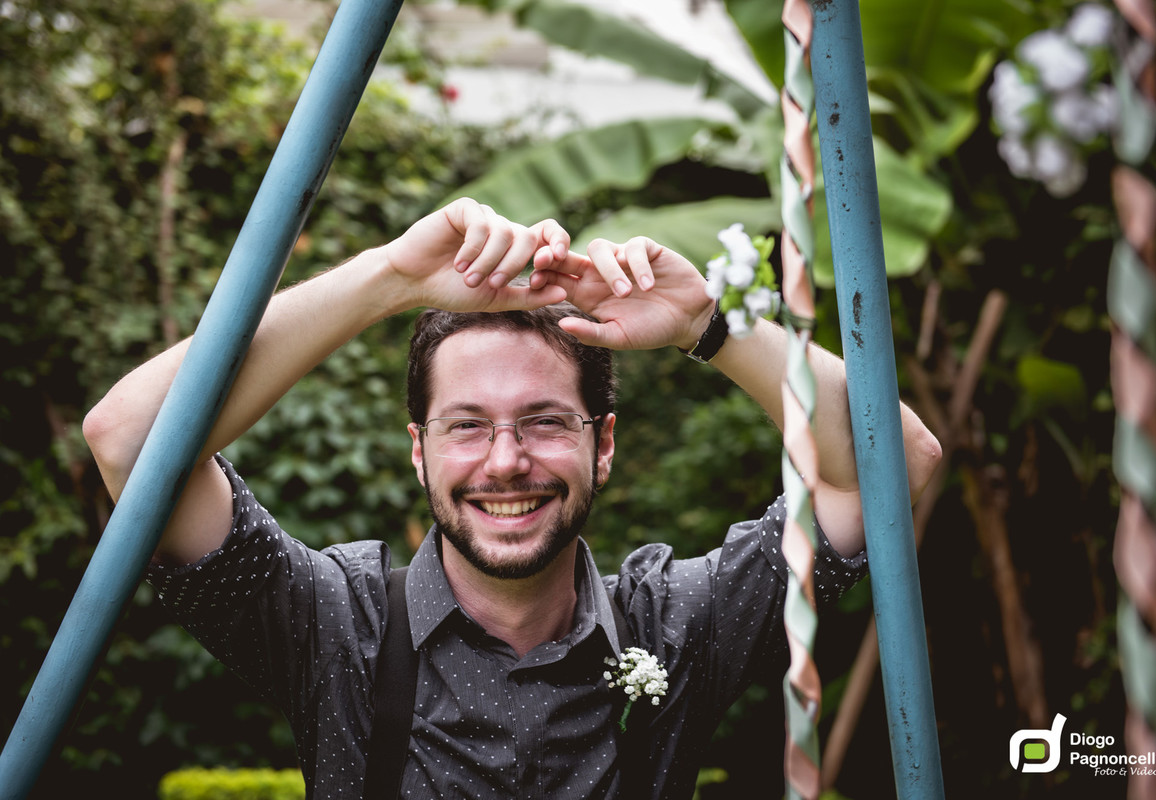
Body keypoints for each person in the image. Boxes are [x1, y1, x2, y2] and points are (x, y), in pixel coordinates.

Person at [83, 198, 941, 799]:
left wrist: (710, 327)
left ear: (601, 444)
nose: (505, 461)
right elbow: (127, 439)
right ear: (419, 453)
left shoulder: (679, 625)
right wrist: (389, 279)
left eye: (542, 421)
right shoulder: (333, 627)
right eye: (466, 426)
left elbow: (897, 463)